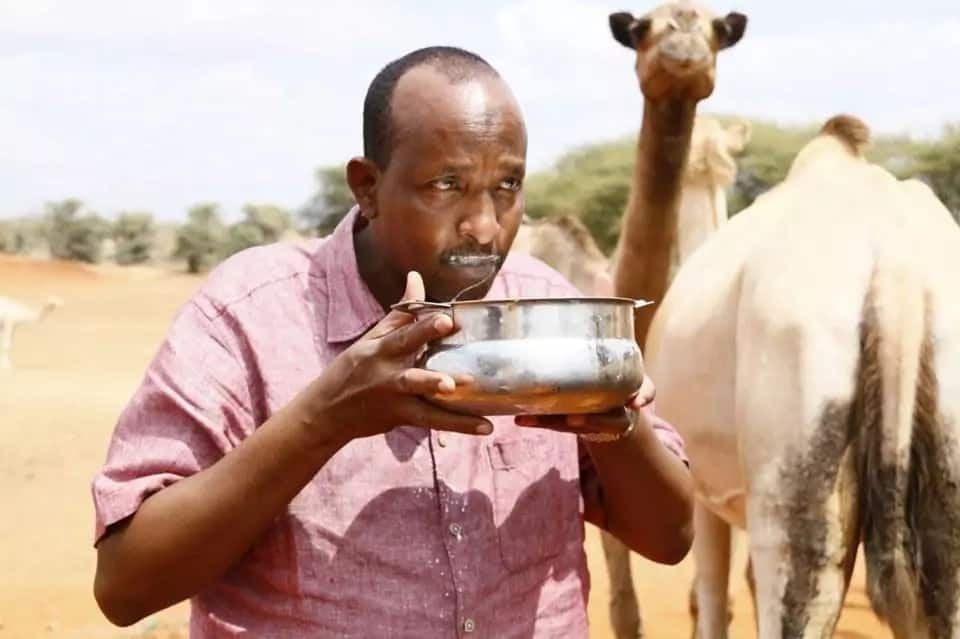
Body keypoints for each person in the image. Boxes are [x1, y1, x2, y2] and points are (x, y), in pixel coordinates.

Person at [91, 46, 694, 638]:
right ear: (367, 187)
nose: (484, 226)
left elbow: (671, 538)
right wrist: (324, 419)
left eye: (507, 186)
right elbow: (126, 585)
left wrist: (612, 421)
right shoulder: (249, 314)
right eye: (446, 184)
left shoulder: (549, 312)